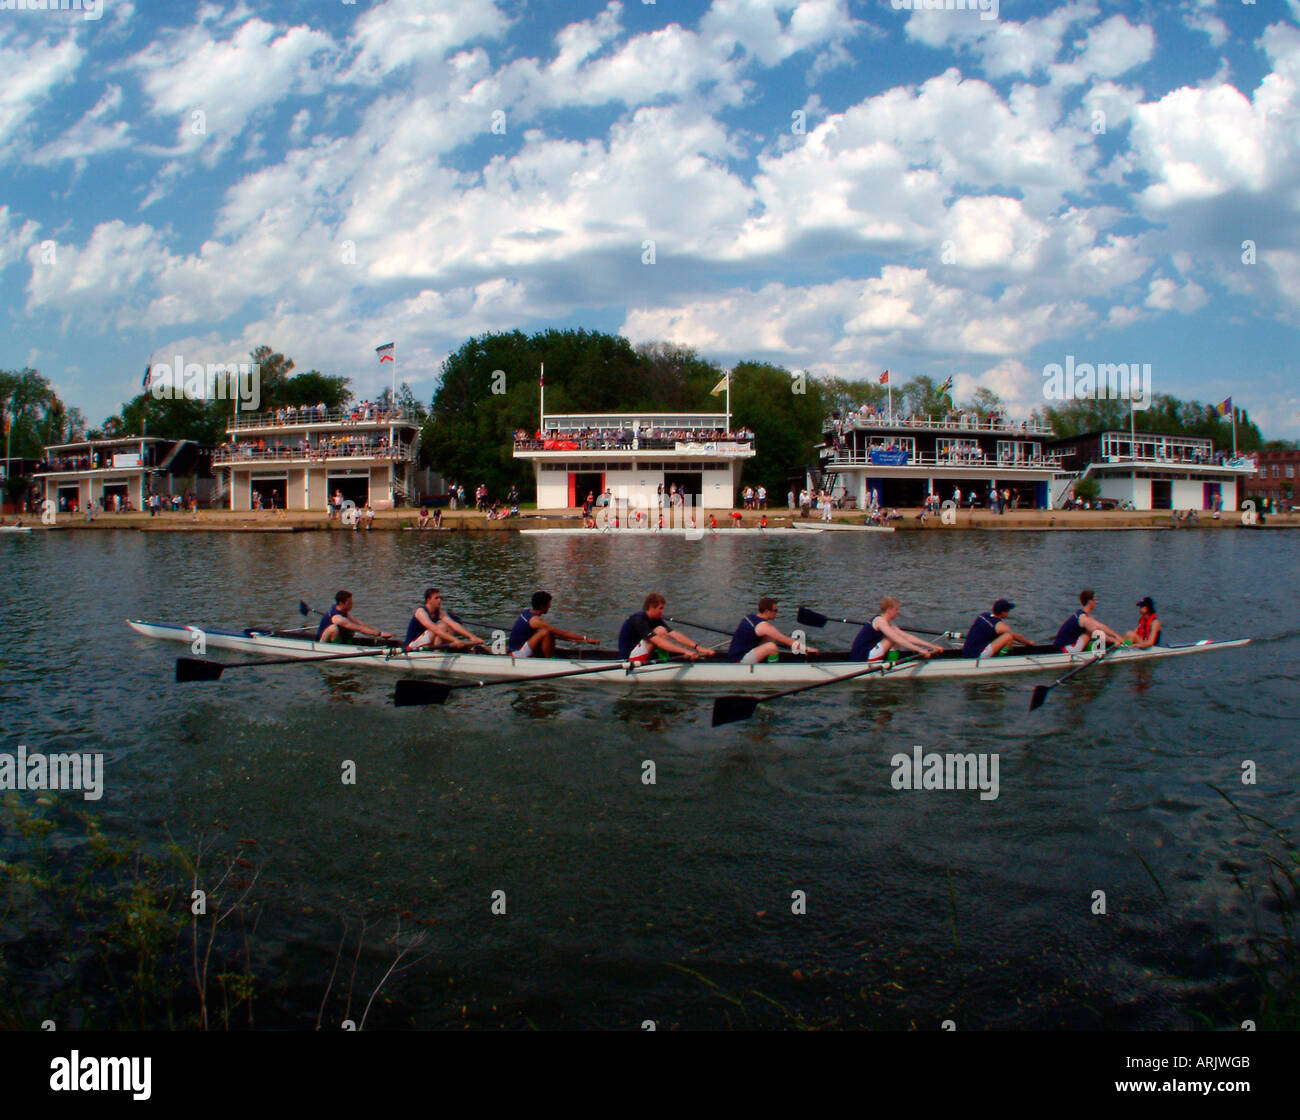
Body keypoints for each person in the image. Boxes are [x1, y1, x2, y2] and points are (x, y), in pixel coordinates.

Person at [618, 593, 714, 663]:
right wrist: (685, 651)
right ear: (651, 607)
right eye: (660, 608)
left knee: (663, 630)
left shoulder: (655, 619)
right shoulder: (637, 619)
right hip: (628, 659)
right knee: (660, 631)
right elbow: (659, 642)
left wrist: (698, 648)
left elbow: (675, 635)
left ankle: (663, 661)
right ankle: (663, 663)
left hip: (640, 653)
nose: (662, 611)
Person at [508, 591, 600, 658]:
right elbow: (561, 633)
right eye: (548, 604)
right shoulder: (536, 620)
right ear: (542, 606)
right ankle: (550, 662)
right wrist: (585, 638)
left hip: (521, 648)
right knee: (546, 633)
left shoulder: (528, 612)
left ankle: (549, 657)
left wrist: (574, 640)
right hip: (516, 654)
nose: (550, 606)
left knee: (549, 633)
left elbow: (557, 635)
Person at [850, 597, 944, 662]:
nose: (898, 612)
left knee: (898, 637)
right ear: (889, 610)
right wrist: (919, 650)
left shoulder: (887, 624)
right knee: (893, 639)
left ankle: (892, 661)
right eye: (896, 609)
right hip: (862, 657)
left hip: (863, 653)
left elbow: (908, 637)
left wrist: (932, 646)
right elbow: (898, 639)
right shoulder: (880, 622)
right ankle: (892, 664)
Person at [728, 597, 818, 664]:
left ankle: (768, 660)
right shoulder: (763, 626)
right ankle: (772, 670)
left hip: (736, 654)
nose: (777, 613)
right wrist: (807, 649)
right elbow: (787, 641)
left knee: (770, 638)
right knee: (771, 647)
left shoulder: (750, 617)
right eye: (775, 610)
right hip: (738, 660)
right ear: (767, 611)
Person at [405, 588, 484, 651]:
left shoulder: (439, 612)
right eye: (436, 598)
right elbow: (436, 630)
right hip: (412, 645)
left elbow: (454, 625)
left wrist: (472, 637)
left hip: (427, 642)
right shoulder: (421, 612)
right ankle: (438, 654)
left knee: (449, 626)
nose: (439, 600)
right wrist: (455, 640)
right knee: (442, 626)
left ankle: (447, 650)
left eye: (439, 598)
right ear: (428, 600)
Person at [1053, 589, 1125, 653]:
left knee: (1093, 631)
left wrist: (1116, 635)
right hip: (1065, 650)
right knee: (1092, 632)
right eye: (1095, 600)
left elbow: (1101, 626)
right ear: (1090, 602)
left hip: (1062, 646)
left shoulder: (1082, 614)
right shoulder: (1084, 619)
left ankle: (1097, 647)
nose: (1096, 602)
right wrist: (1115, 641)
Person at [962, 599, 1034, 658]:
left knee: (1000, 637)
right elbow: (1017, 636)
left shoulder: (983, 615)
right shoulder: (1000, 626)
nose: (1008, 613)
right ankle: (1000, 659)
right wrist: (1028, 643)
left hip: (965, 650)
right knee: (1009, 637)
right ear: (1002, 613)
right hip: (977, 655)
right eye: (1008, 611)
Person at [317, 590, 392, 644]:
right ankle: (337, 648)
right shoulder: (337, 618)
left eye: (352, 602)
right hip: (322, 642)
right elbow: (360, 629)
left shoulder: (343, 612)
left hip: (337, 638)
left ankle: (347, 645)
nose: (352, 605)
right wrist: (379, 634)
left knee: (353, 626)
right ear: (341, 603)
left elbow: (360, 624)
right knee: (334, 628)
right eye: (349, 603)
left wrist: (379, 632)